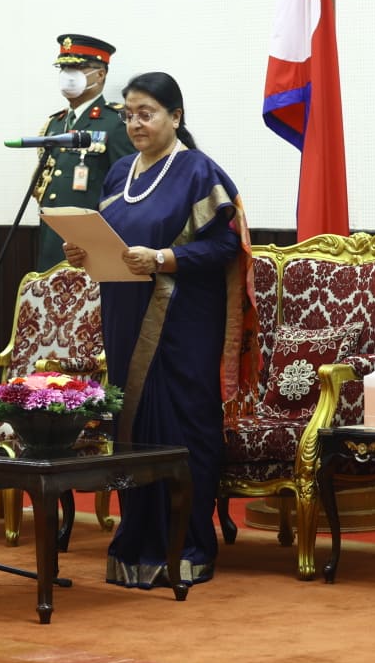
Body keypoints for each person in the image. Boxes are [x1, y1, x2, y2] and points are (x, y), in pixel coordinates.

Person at [62, 71, 253, 588]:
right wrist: (83, 253)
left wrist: (165, 257)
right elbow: (113, 244)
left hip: (182, 323)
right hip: (124, 315)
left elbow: (225, 248)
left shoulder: (197, 171)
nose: (135, 122)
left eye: (146, 112)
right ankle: (136, 540)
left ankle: (188, 545)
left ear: (176, 116)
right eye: (128, 114)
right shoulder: (118, 171)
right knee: (133, 427)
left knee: (182, 428)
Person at [32, 34, 134, 271]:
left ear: (100, 74)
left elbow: (125, 190)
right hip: (52, 242)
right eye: (64, 67)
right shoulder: (54, 124)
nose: (68, 74)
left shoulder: (115, 123)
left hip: (92, 248)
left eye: (78, 67)